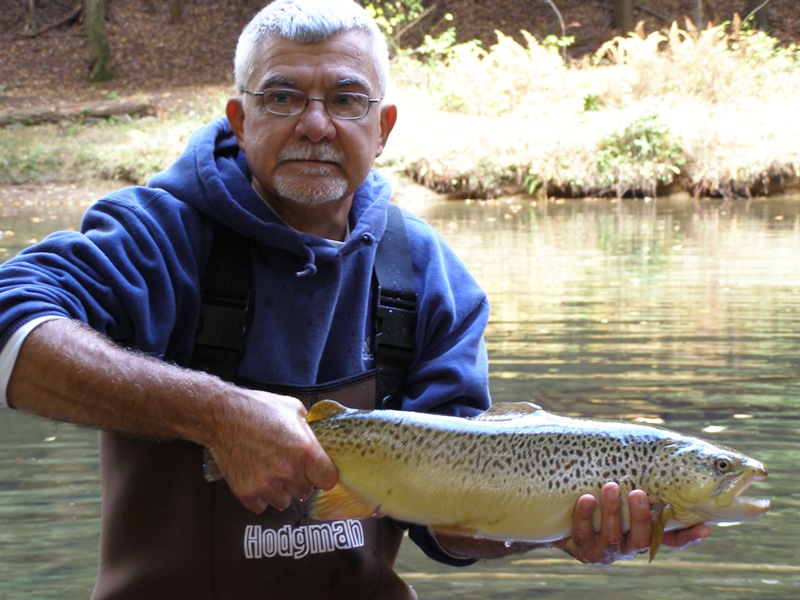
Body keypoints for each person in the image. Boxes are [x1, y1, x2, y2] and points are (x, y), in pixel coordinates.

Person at [0, 0, 710, 598]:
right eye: (282, 97)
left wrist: (558, 525)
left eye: (345, 99)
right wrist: (213, 413)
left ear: (383, 126)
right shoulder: (158, 234)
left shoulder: (427, 272)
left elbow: (450, 527)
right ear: (240, 120)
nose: (315, 124)